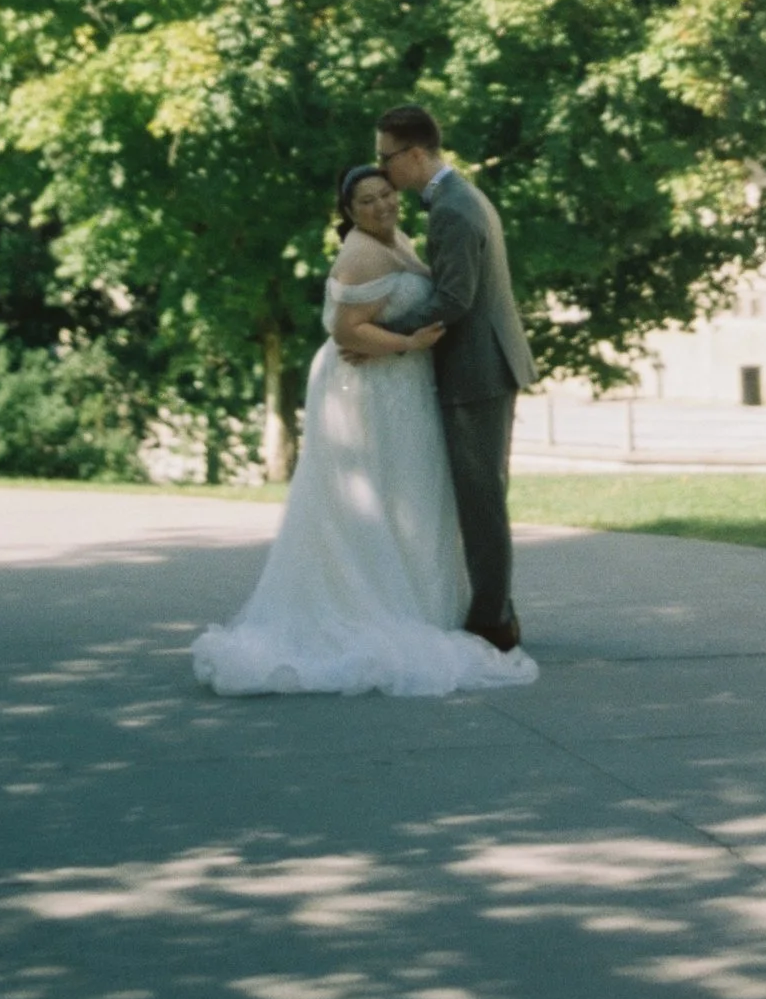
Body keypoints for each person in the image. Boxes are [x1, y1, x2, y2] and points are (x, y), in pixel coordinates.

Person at [190, 165, 540, 699]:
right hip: (369, 388)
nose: (381, 207)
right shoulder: (358, 254)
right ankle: (372, 606)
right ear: (348, 213)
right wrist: (408, 344)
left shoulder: (396, 237)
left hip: (401, 386)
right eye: (367, 201)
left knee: (410, 495)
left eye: (385, 195)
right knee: (373, 495)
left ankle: (422, 605)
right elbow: (344, 331)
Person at [373, 104, 536, 654]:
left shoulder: (452, 210)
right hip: (490, 364)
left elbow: (454, 300)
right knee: (484, 496)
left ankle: (492, 622)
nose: (383, 170)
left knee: (481, 500)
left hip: (477, 372)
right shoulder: (461, 195)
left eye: (386, 157)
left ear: (415, 154)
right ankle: (496, 612)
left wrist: (377, 333)